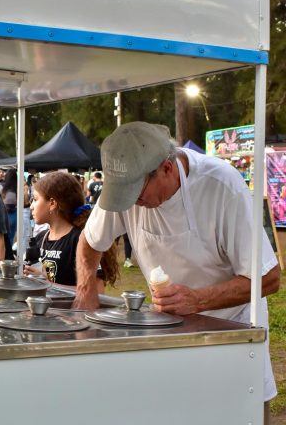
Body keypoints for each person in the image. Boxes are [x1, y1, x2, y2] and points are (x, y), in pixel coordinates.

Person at [73, 121, 280, 417]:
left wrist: (198, 300)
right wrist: (85, 294)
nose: (133, 204)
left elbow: (268, 278)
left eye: (137, 195)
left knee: (239, 414)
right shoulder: (126, 185)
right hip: (169, 333)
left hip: (233, 335)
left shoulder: (221, 185)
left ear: (167, 169)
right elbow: (89, 242)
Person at [24, 171, 117, 290]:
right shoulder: (40, 238)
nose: (31, 206)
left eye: (35, 199)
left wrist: (47, 285)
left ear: (52, 203)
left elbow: (96, 290)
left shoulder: (80, 240)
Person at [2, 169, 18, 247]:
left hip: (4, 214)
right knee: (11, 236)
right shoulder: (17, 189)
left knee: (4, 236)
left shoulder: (4, 189)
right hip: (14, 214)